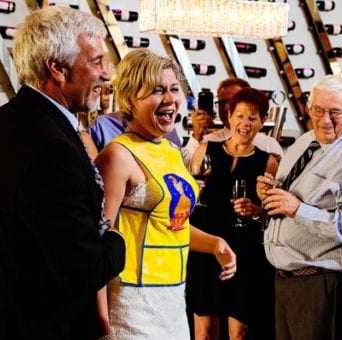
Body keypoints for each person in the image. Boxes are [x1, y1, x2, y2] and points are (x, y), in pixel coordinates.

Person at [0, 7, 126, 339]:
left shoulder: (4, 120)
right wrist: (117, 238)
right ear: (58, 69)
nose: (106, 74)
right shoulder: (51, 147)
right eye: (96, 62)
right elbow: (82, 271)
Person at [94, 49, 237, 338]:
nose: (170, 99)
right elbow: (96, 245)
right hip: (130, 307)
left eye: (174, 88)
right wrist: (100, 321)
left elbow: (172, 225)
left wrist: (213, 243)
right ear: (130, 98)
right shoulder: (117, 155)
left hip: (172, 304)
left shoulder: (171, 150)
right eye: (158, 90)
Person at [256, 75, 342, 339]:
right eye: (318, 110)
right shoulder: (305, 142)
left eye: (335, 112)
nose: (326, 120)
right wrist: (268, 193)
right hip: (287, 282)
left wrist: (299, 210)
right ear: (308, 108)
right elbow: (287, 199)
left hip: (322, 288)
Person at [186, 87, 279, 340]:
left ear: (262, 121)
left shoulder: (269, 161)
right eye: (240, 116)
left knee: (240, 333)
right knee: (205, 332)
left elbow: (272, 215)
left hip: (245, 251)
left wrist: (256, 210)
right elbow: (188, 195)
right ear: (229, 116)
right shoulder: (206, 149)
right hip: (206, 248)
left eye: (252, 118)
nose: (245, 123)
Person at [182, 77, 281, 164]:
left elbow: (282, 177)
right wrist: (196, 136)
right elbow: (184, 170)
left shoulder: (269, 145)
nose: (226, 108)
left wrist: (278, 167)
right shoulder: (207, 142)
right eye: (222, 102)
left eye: (232, 101)